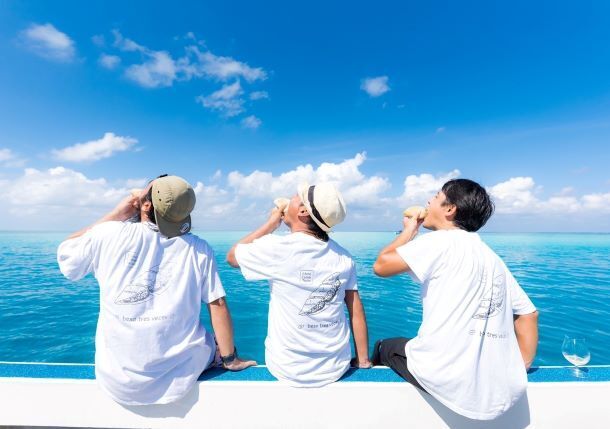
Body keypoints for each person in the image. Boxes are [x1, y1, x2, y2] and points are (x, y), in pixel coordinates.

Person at [57, 175, 255, 406]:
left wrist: (118, 213)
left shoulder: (107, 234)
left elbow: (68, 256)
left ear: (145, 204)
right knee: (214, 344)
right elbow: (217, 305)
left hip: (118, 382)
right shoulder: (199, 248)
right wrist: (230, 359)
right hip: (182, 376)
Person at [372, 178, 538, 420]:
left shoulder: (439, 241)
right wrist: (519, 367)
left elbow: (381, 265)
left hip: (446, 378)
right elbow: (528, 315)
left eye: (435, 196)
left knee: (384, 347)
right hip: (500, 391)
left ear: (450, 209)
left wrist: (409, 231)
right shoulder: (492, 258)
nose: (428, 201)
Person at [226, 182, 371, 387]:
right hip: (336, 366)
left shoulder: (276, 247)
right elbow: (355, 308)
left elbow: (232, 257)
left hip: (287, 367)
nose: (291, 198)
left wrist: (271, 225)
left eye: (296, 196)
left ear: (303, 211)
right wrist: (362, 359)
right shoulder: (344, 256)